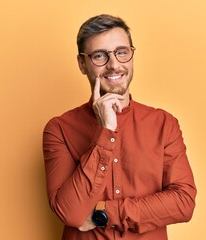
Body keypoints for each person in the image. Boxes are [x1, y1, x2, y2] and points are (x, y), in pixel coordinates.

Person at [43, 14, 197, 240]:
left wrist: (102, 213)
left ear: (132, 56)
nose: (114, 65)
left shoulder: (164, 124)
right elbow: (71, 212)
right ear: (82, 64)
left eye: (121, 52)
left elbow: (183, 202)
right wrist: (106, 132)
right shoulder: (59, 129)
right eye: (99, 56)